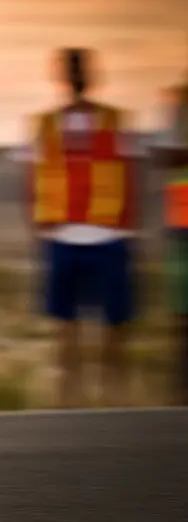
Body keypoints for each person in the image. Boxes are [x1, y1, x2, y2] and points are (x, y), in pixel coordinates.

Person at [22, 48, 140, 408]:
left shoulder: (116, 121)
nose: (75, 77)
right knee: (64, 332)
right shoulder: (44, 125)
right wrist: (37, 229)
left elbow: (134, 175)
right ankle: (67, 410)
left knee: (114, 332)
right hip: (61, 238)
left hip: (110, 236)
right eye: (69, 70)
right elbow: (29, 179)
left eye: (80, 69)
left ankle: (113, 407)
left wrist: (132, 229)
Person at [150, 72, 188, 406]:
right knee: (182, 322)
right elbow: (167, 156)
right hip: (182, 228)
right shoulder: (179, 105)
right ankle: (179, 404)